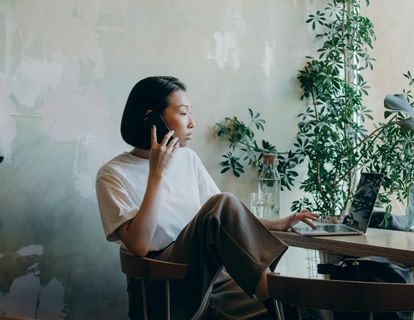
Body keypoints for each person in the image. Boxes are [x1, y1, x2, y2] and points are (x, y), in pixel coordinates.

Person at [96, 76, 317, 319]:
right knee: (222, 202)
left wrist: (279, 223)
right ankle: (273, 293)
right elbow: (138, 246)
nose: (192, 123)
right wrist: (156, 174)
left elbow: (226, 223)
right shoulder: (112, 174)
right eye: (183, 113)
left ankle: (279, 299)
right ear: (152, 119)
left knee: (294, 313)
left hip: (212, 279)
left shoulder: (187, 159)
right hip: (165, 286)